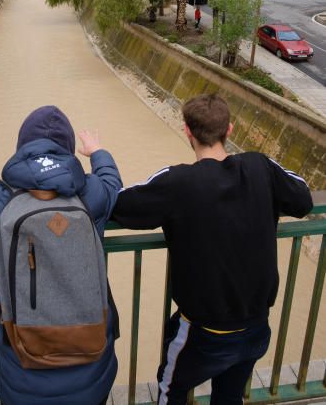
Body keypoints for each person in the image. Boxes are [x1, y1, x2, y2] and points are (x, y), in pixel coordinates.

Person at [112, 93, 313, 405]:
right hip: (256, 326)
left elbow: (120, 204)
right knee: (229, 396)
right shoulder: (260, 167)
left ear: (187, 132)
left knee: (171, 391)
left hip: (203, 334)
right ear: (229, 130)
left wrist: (99, 157)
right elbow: (303, 199)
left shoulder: (178, 181)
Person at [0, 105, 122, 405]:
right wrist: (98, 152)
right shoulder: (90, 192)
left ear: (21, 149)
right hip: (92, 373)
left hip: (23, 376)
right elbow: (112, 183)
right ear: (68, 150)